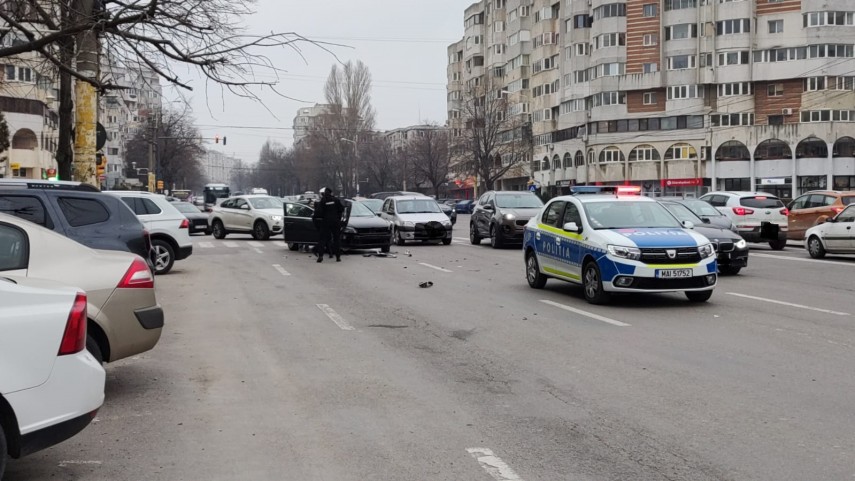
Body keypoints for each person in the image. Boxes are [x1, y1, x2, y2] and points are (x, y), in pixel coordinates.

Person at [313, 187, 345, 262]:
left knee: (322, 239)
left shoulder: (323, 201)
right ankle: (338, 257)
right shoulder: (336, 200)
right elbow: (342, 209)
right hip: (335, 222)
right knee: (336, 239)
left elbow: (318, 212)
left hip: (326, 222)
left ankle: (320, 256)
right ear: (331, 193)